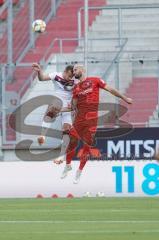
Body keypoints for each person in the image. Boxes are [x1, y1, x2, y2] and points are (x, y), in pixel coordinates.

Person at [61, 64, 133, 184]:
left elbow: (111, 90)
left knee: (86, 147)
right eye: (73, 70)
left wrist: (125, 98)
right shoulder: (76, 88)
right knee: (72, 142)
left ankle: (79, 171)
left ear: (82, 70)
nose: (74, 72)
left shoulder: (95, 81)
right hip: (79, 120)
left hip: (91, 120)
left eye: (75, 69)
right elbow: (73, 107)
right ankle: (68, 165)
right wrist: (61, 110)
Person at [32, 63, 76, 163]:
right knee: (53, 107)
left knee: (66, 130)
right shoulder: (56, 75)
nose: (70, 79)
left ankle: (61, 157)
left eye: (71, 77)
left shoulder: (76, 81)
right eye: (69, 76)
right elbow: (42, 78)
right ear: (64, 72)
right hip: (58, 101)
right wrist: (39, 71)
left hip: (69, 106)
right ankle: (42, 136)